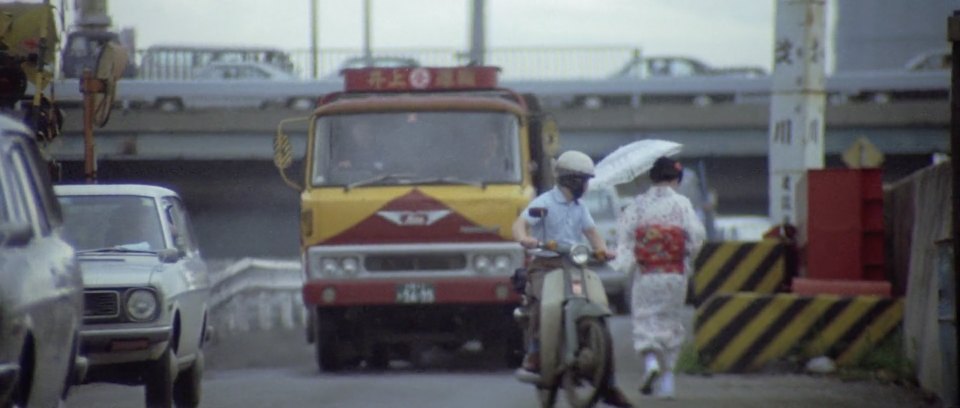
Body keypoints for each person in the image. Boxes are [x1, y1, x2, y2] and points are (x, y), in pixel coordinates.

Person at [512, 150, 634, 408]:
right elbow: (520, 224)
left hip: (575, 264)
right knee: (543, 303)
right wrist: (525, 238)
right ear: (573, 181)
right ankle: (534, 353)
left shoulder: (580, 208)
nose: (587, 186)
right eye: (584, 180)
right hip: (545, 265)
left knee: (596, 305)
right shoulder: (545, 203)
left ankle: (607, 383)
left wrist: (601, 249)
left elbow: (592, 233)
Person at [612, 156, 706, 400]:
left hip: (647, 273)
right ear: (676, 179)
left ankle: (651, 361)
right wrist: (687, 259)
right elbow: (696, 237)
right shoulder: (682, 204)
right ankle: (668, 381)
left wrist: (624, 264)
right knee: (671, 321)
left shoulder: (638, 204)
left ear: (652, 178)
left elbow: (625, 240)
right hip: (675, 273)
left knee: (645, 319)